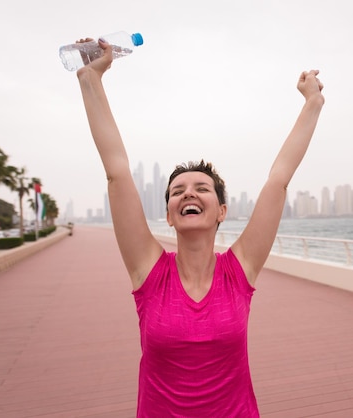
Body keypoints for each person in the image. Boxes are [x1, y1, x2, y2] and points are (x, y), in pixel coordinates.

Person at [76, 38, 324, 417]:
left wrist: (312, 104)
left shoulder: (238, 272)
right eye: (178, 191)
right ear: (171, 215)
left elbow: (278, 181)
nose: (188, 193)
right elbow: (117, 173)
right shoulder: (149, 272)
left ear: (221, 210)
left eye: (201, 188)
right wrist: (92, 78)